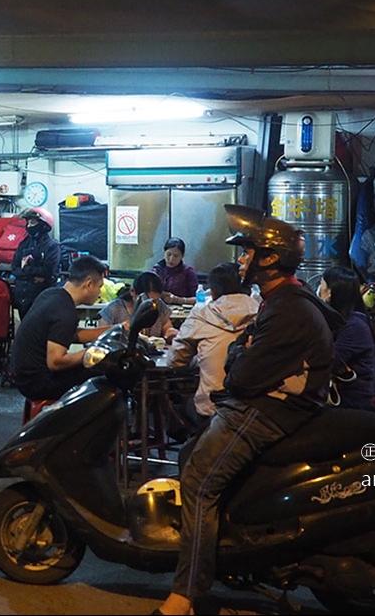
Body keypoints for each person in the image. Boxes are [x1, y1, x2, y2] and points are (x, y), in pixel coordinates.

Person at [154, 206, 335, 616]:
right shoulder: (283, 300)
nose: (241, 260)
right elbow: (242, 356)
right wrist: (241, 350)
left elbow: (241, 379)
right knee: (191, 456)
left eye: (247, 252)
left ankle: (186, 595)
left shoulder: (288, 308)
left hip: (268, 410)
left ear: (268, 259)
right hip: (269, 404)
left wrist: (241, 356)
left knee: (199, 481)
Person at [162, 262, 259, 428]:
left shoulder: (201, 315)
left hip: (213, 410)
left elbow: (175, 361)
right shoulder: (266, 313)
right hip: (256, 411)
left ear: (212, 293)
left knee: (177, 405)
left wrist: (200, 358)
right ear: (249, 289)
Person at [9, 255, 108, 403]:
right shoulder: (65, 312)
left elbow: (69, 335)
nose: (99, 293)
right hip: (37, 383)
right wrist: (93, 353)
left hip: (22, 376)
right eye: (99, 287)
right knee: (103, 374)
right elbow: (55, 362)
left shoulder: (51, 294)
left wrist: (116, 329)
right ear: (88, 284)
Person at [319, 265, 375, 412]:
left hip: (352, 405)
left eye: (321, 285)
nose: (319, 290)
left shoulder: (355, 327)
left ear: (330, 293)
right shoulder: (339, 321)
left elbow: (329, 360)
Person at [9, 207, 61, 319]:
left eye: (32, 222)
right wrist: (32, 276)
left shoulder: (52, 246)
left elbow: (48, 271)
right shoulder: (23, 244)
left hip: (42, 298)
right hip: (22, 297)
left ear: (43, 225)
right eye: (28, 222)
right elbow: (14, 267)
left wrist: (26, 269)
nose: (29, 226)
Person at [97, 271, 174, 339]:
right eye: (146, 301)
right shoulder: (114, 309)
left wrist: (171, 332)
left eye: (156, 300)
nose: (152, 304)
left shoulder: (159, 306)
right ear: (132, 291)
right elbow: (101, 337)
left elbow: (167, 327)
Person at [152, 237, 200, 306]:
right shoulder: (157, 270)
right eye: (168, 254)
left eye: (176, 256)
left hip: (182, 312)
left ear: (182, 256)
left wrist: (177, 300)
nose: (171, 259)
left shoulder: (188, 272)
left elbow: (198, 299)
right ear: (164, 252)